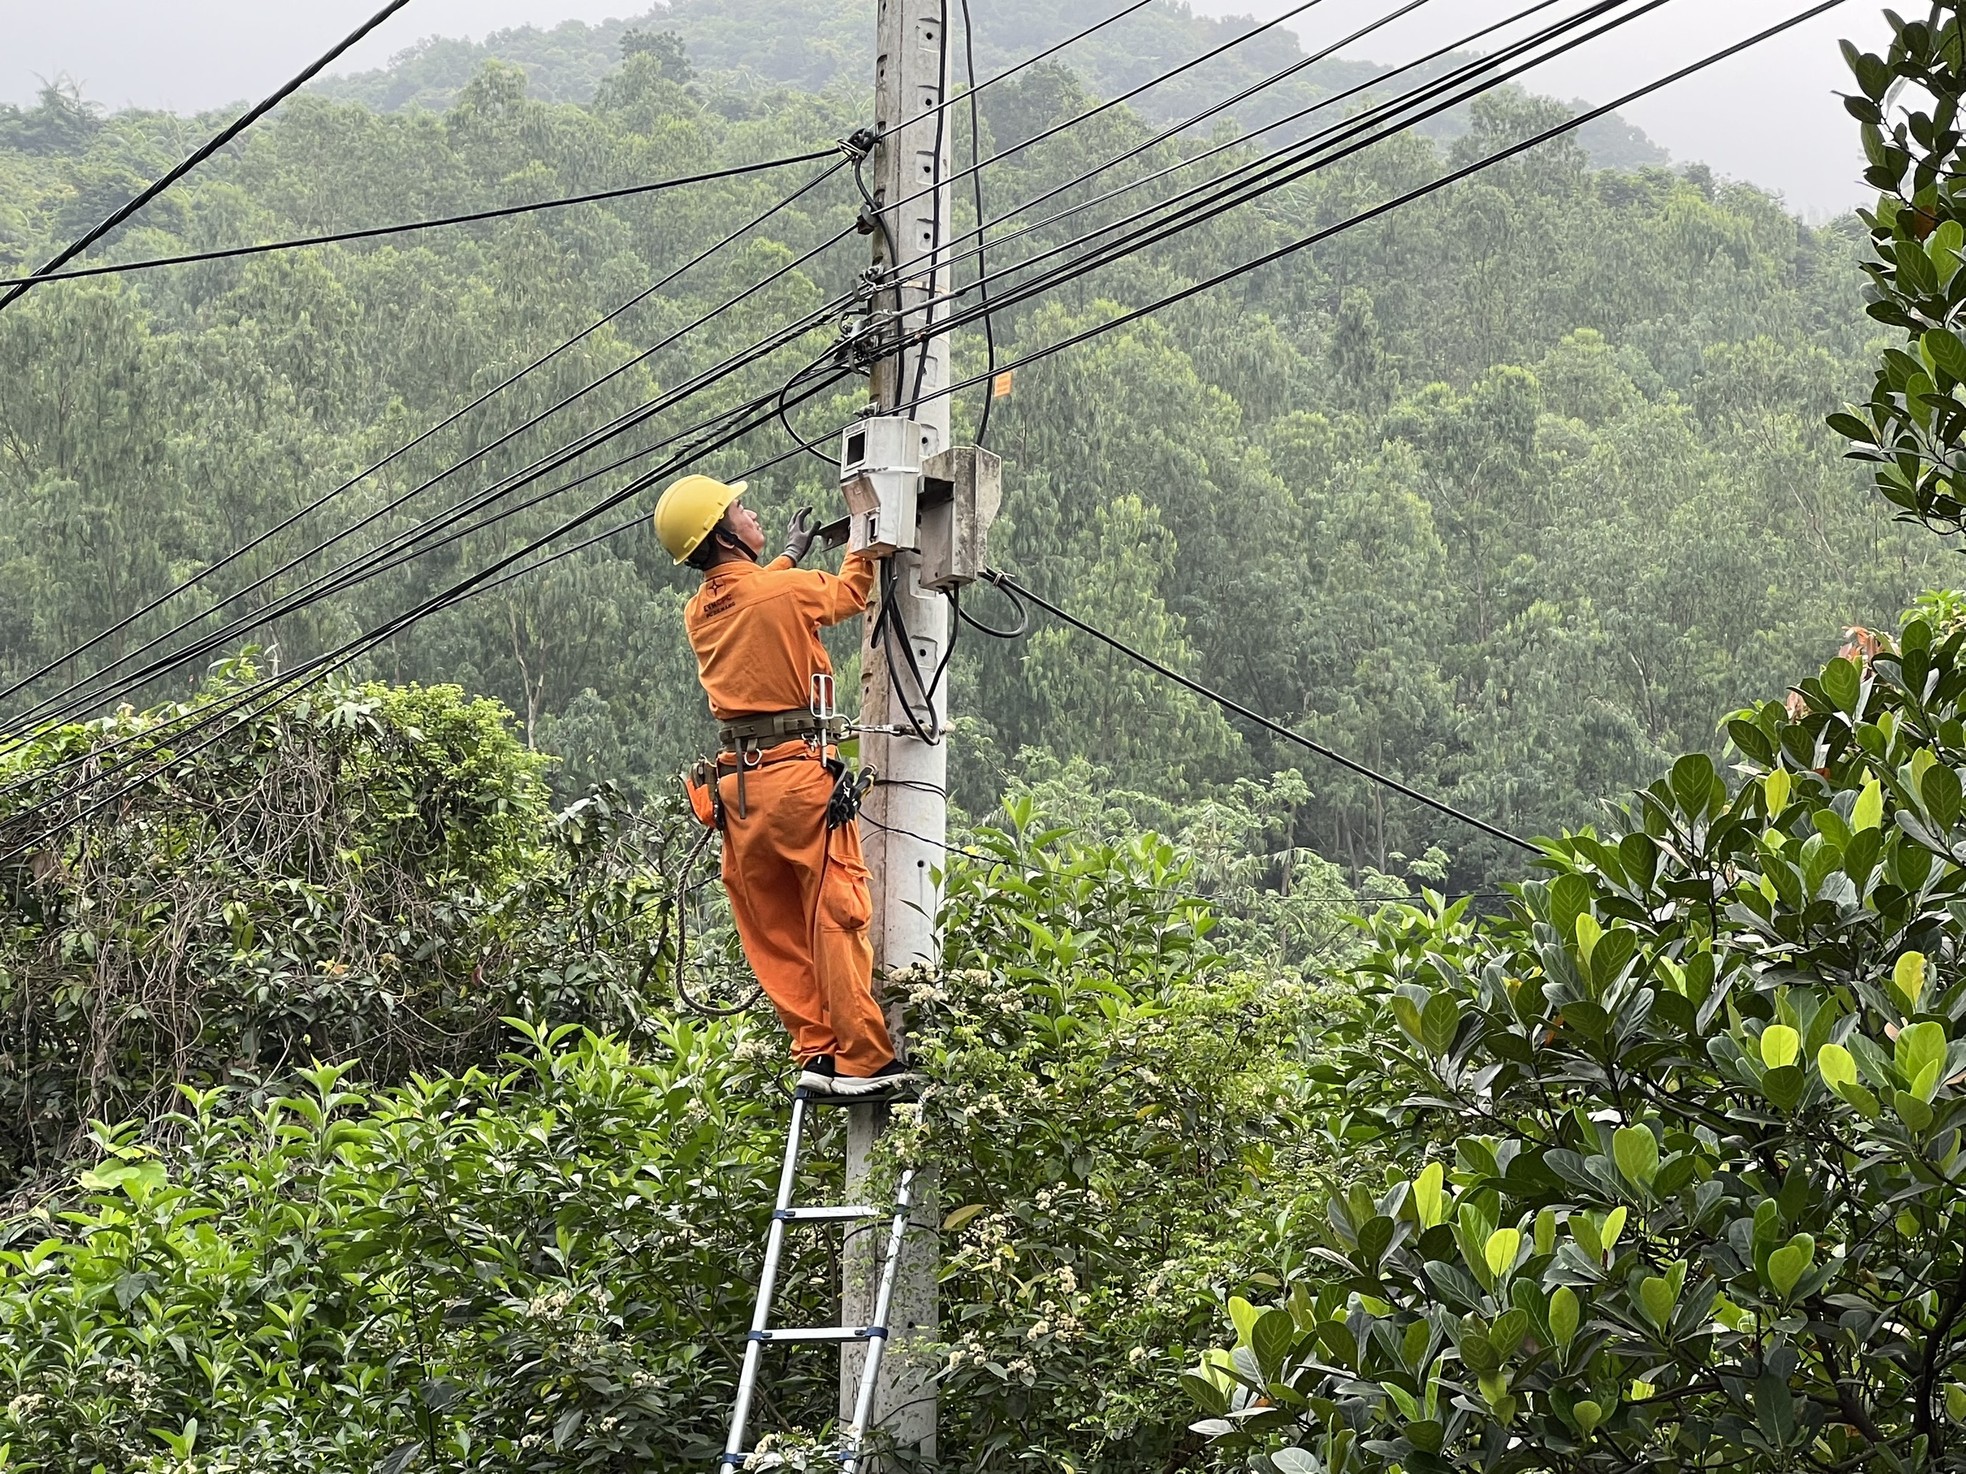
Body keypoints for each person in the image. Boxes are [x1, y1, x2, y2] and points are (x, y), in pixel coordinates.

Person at [653, 473, 912, 1098]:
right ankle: (863, 1059)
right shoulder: (783, 593)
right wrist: (864, 536)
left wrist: (791, 553)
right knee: (835, 914)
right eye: (739, 509)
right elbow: (850, 593)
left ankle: (816, 1048)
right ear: (724, 535)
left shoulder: (700, 613)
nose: (752, 513)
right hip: (799, 781)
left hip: (739, 795)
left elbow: (752, 596)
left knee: (773, 932)